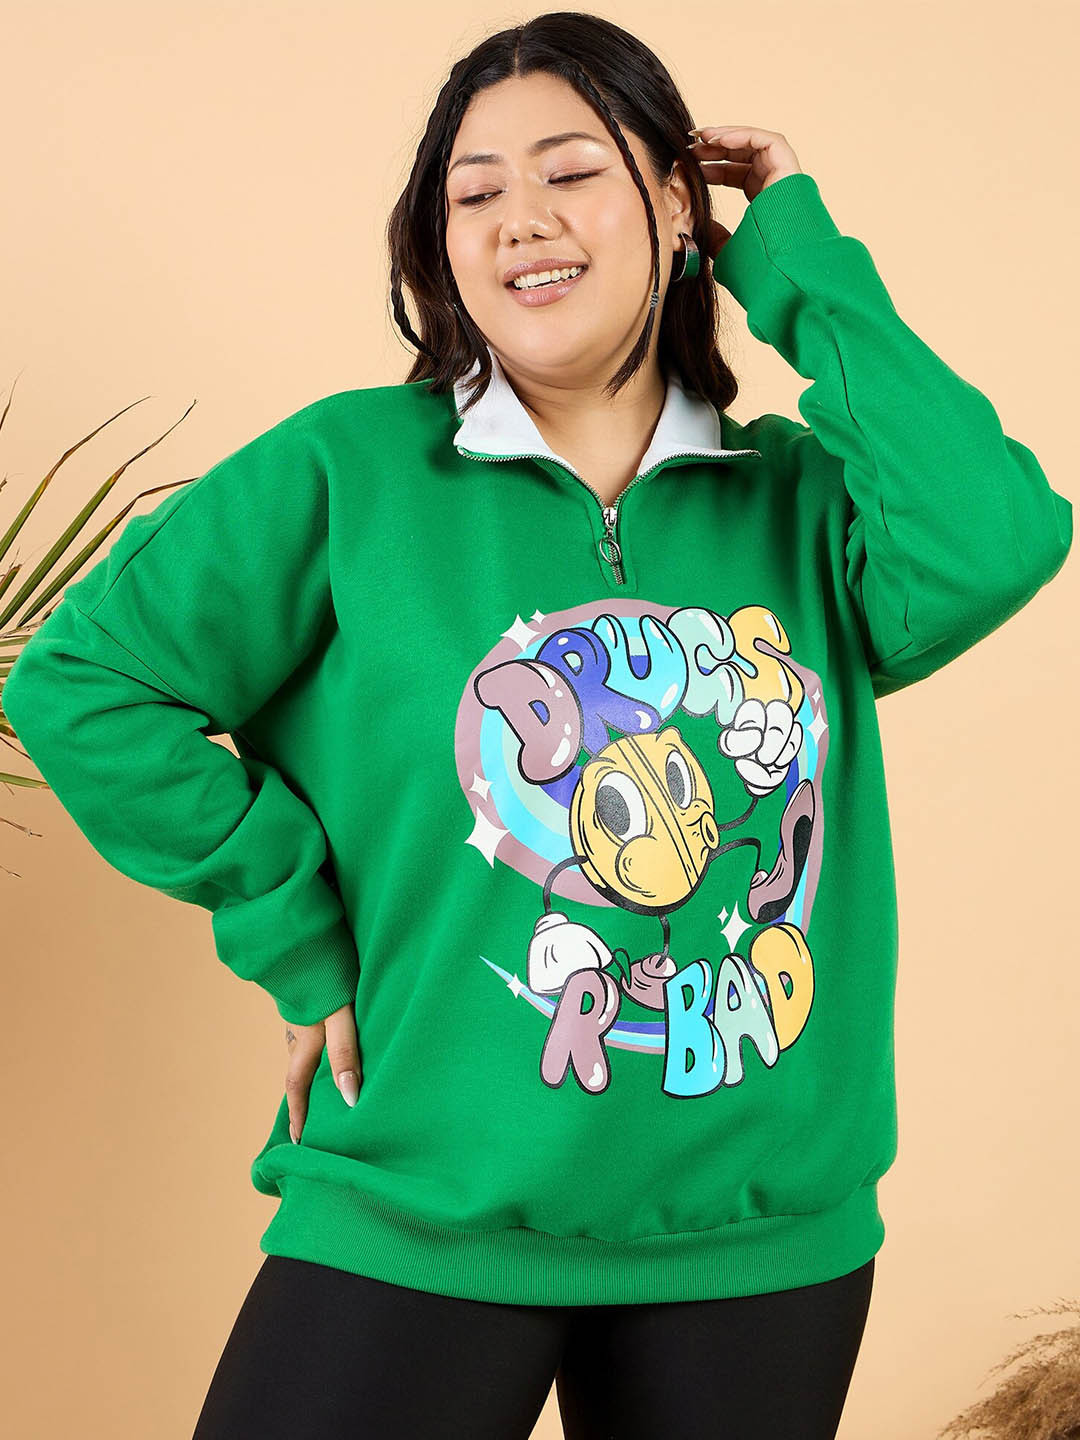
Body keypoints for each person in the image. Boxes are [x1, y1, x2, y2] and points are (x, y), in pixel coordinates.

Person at [3, 12, 1071, 1440]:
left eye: (572, 173)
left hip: (755, 1240)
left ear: (678, 208)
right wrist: (291, 926)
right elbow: (80, 683)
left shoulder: (803, 504)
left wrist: (796, 257)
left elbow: (999, 535)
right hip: (419, 1201)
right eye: (474, 193)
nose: (521, 220)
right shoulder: (348, 474)